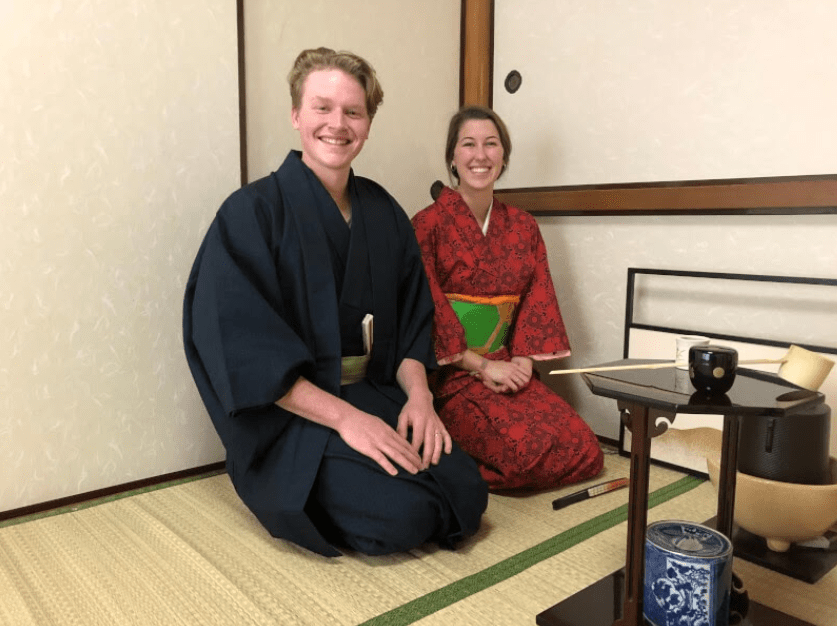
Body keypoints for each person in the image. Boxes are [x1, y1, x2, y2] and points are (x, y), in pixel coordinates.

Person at [183, 48, 487, 557]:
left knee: (465, 492)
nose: (337, 125)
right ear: (296, 114)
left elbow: (415, 321)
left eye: (353, 112)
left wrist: (419, 399)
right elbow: (244, 351)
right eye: (322, 108)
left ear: (368, 123)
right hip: (293, 418)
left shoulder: (384, 213)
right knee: (405, 515)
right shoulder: (250, 214)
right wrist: (346, 421)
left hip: (375, 394)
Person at [411, 105, 604, 491]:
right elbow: (424, 308)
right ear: (453, 156)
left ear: (504, 156)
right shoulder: (427, 224)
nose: (480, 155)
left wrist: (522, 360)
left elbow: (537, 298)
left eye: (491, 144)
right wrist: (481, 367)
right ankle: (454, 461)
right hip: (455, 374)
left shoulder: (523, 226)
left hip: (508, 367)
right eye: (468, 144)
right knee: (526, 457)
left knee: (585, 448)